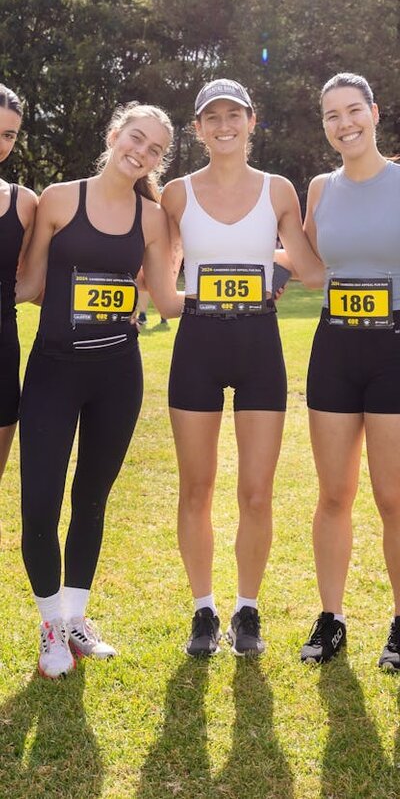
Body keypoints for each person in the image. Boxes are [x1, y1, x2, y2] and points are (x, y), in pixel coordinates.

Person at [16, 101, 183, 678]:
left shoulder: (153, 220)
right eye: (135, 138)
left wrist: (255, 284)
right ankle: (49, 625)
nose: (141, 151)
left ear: (159, 159)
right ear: (114, 134)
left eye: (155, 149)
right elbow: (31, 282)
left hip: (117, 376)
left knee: (90, 501)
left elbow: (165, 301)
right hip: (53, 372)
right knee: (38, 503)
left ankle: (77, 620)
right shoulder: (60, 198)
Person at [162, 78, 322, 657]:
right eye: (212, 117)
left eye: (235, 115)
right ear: (198, 128)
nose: (224, 125)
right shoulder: (175, 195)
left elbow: (310, 268)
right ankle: (204, 611)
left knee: (256, 492)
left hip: (260, 347)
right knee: (197, 487)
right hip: (197, 347)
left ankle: (246, 610)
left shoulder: (279, 190)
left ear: (252, 122)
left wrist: (275, 267)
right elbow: (162, 285)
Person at [299, 72, 400, 670]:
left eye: (353, 110)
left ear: (375, 113)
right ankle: (332, 618)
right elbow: (308, 262)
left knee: (393, 497)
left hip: (394, 350)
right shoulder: (319, 188)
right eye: (332, 115)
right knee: (335, 494)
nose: (345, 123)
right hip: (334, 351)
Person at [0, 84, 37, 525]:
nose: (2, 143)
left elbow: (37, 284)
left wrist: (116, 302)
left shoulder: (24, 204)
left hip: (3, 353)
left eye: (10, 135)